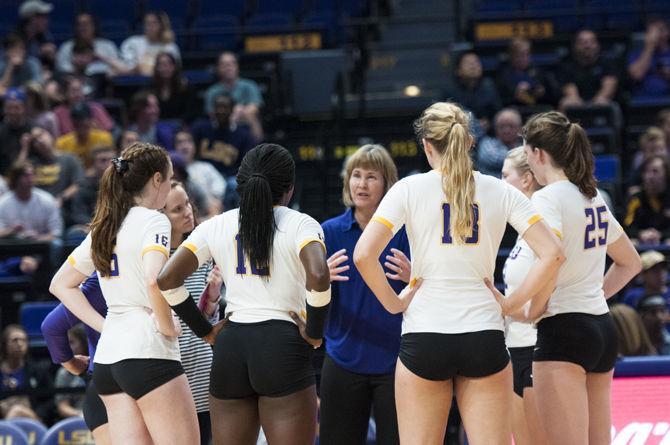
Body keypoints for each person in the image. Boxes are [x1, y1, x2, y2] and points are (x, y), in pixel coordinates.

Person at [353, 102, 564, 444]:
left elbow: (363, 255)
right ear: (469, 142)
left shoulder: (408, 189)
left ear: (426, 146)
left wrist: (393, 303)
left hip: (424, 336)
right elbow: (553, 254)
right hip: (484, 335)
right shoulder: (501, 190)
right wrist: (512, 305)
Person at [157, 143, 331, 444]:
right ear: (289, 189)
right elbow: (318, 275)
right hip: (283, 346)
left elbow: (168, 278)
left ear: (241, 184)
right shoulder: (301, 223)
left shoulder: (217, 225)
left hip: (231, 348)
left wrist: (206, 331)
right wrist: (315, 332)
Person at [49, 142, 206, 444]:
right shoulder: (154, 220)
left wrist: (103, 325)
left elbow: (60, 284)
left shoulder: (104, 226)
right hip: (148, 351)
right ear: (157, 180)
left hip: (109, 359)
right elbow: (153, 278)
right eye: (169, 178)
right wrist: (166, 326)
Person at [502, 111, 641, 445]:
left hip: (563, 330)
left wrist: (522, 307)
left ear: (537, 153)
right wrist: (593, 294)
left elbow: (553, 258)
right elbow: (631, 262)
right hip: (601, 328)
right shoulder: (591, 195)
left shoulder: (547, 198)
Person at [319, 145, 410, 445]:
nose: (361, 184)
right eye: (356, 175)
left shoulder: (405, 232)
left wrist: (414, 277)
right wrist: (319, 280)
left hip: (396, 360)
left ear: (387, 184)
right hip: (342, 357)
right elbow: (306, 294)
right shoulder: (328, 232)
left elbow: (430, 288)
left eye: (371, 176)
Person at [164, 181, 222, 445]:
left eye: (187, 203)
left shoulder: (201, 253)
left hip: (202, 363)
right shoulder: (154, 259)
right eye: (177, 209)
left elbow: (208, 320)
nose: (187, 211)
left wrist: (212, 296)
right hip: (170, 366)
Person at [499, 146, 547, 445]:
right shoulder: (522, 229)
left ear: (527, 180)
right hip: (514, 348)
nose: (499, 182)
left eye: (505, 176)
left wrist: (501, 305)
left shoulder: (543, 225)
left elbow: (546, 298)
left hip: (535, 348)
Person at [42, 274, 110, 444]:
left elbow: (51, 328)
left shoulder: (99, 277)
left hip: (101, 381)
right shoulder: (110, 276)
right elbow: (51, 327)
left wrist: (71, 364)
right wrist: (71, 364)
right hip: (134, 377)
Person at [204, 51, 264, 140]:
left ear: (237, 67)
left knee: (251, 116)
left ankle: (256, 149)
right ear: (218, 68)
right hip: (222, 124)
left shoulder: (249, 85)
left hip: (244, 121)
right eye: (224, 64)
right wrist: (230, 115)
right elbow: (211, 113)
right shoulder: (212, 91)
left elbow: (254, 108)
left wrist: (239, 112)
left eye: (232, 63)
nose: (228, 67)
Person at [0, 324, 53, 422]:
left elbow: (50, 400)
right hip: (2, 417)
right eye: (15, 340)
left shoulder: (37, 371)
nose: (20, 344)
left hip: (31, 419)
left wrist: (36, 412)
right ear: (5, 344)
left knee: (17, 410)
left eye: (23, 340)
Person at [0, 160, 63, 242]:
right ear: (16, 179)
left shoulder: (47, 200)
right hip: (13, 247)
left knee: (57, 244)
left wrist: (38, 238)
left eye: (32, 174)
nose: (31, 178)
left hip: (41, 247)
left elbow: (56, 233)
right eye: (26, 175)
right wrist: (12, 230)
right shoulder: (3, 203)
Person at [557, 30, 619, 110]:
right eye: (582, 42)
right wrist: (575, 99)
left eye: (591, 42)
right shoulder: (567, 66)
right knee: (565, 103)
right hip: (577, 100)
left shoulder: (607, 63)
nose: (587, 46)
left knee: (610, 105)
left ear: (598, 45)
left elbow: (609, 85)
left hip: (600, 99)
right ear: (575, 46)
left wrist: (600, 99)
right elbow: (570, 89)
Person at [440, 52, 502, 132]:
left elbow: (498, 112)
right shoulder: (448, 90)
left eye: (476, 62)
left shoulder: (489, 86)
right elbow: (442, 117)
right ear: (458, 70)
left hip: (487, 135)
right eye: (468, 63)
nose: (473, 65)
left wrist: (489, 123)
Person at [29, 126, 84, 208]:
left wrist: (62, 197)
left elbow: (79, 184)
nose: (40, 141)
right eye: (35, 141)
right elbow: (17, 175)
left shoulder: (69, 159)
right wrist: (25, 149)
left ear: (50, 135)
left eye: (41, 135)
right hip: (37, 207)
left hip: (63, 206)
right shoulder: (32, 164)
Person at [55, 12, 121, 77]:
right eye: (79, 24)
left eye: (86, 24)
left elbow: (117, 66)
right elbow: (61, 68)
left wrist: (98, 58)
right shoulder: (66, 47)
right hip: (75, 82)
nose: (83, 28)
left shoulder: (107, 45)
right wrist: (79, 66)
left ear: (94, 26)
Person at [497, 38, 558, 107]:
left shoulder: (538, 71)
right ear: (512, 56)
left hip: (538, 108)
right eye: (520, 55)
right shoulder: (505, 73)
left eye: (527, 54)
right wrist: (515, 92)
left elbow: (551, 95)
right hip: (514, 109)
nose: (524, 58)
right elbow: (501, 98)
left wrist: (541, 92)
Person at [174, 130, 226, 212]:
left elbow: (219, 185)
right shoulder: (174, 172)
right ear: (174, 147)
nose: (184, 146)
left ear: (194, 146)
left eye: (188, 141)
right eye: (180, 142)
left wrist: (214, 199)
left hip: (210, 207)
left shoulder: (206, 167)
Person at [624, 155, 670, 245]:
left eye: (655, 171)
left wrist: (661, 235)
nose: (650, 176)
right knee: (631, 243)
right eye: (646, 171)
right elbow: (627, 225)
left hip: (666, 243)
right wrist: (640, 234)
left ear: (666, 175)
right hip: (642, 244)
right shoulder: (635, 198)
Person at [120, 11, 180, 77]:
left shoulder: (170, 47)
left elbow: (175, 69)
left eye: (154, 23)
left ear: (162, 26)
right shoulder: (132, 42)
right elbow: (129, 67)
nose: (150, 27)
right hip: (136, 81)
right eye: (147, 23)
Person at [55, 102, 114, 167]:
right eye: (77, 120)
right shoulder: (62, 143)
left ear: (91, 120)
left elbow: (110, 163)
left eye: (83, 120)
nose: (80, 123)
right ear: (71, 122)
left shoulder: (104, 138)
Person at [69, 146, 115, 228]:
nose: (108, 164)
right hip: (93, 227)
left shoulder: (125, 185)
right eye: (103, 160)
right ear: (93, 164)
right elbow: (78, 215)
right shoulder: (84, 188)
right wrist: (97, 225)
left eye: (112, 160)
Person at [628, 17, 670, 97]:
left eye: (661, 30)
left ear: (668, 32)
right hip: (643, 101)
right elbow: (637, 75)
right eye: (653, 31)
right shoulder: (636, 54)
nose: (657, 34)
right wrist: (650, 46)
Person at [150, 52, 197, 123]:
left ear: (175, 67)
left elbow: (190, 113)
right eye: (162, 65)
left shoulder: (186, 88)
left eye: (169, 64)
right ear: (156, 68)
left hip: (180, 126)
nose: (166, 68)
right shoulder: (149, 89)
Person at [53, 325, 88, 419]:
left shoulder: (99, 365)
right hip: (77, 418)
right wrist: (80, 415)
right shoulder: (63, 373)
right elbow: (62, 406)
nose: (67, 347)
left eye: (71, 342)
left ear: (84, 343)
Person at [476, 108, 523, 177]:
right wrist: (524, 158)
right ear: (495, 128)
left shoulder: (523, 145)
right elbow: (494, 159)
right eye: (502, 126)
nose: (506, 130)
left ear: (520, 128)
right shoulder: (487, 144)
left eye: (511, 126)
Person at [0, 88, 33, 176]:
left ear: (24, 108)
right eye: (9, 108)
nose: (12, 111)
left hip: (29, 177)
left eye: (17, 108)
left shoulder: (33, 129)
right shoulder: (1, 131)